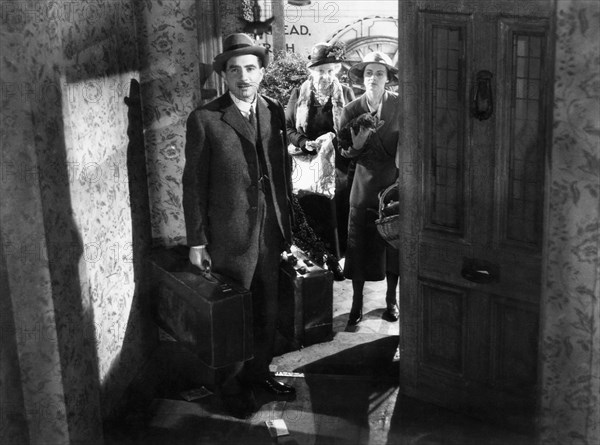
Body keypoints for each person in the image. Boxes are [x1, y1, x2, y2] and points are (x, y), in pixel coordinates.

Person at [182, 33, 295, 418]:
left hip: (270, 232)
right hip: (229, 237)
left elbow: (282, 174)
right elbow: (193, 185)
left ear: (262, 72)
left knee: (267, 309)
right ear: (224, 76)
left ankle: (260, 373)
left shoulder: (274, 110)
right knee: (233, 317)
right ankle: (231, 389)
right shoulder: (205, 119)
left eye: (250, 68)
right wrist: (197, 242)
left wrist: (288, 226)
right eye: (235, 70)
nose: (243, 76)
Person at [338, 52, 401, 325]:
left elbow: (412, 141)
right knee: (359, 246)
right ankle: (356, 303)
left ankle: (391, 300)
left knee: (394, 247)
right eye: (368, 74)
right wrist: (359, 144)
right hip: (363, 186)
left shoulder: (401, 106)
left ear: (388, 79)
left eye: (379, 73)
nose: (373, 78)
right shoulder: (351, 110)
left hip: (395, 185)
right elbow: (343, 153)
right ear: (362, 79)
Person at [285, 42, 355, 278]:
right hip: (308, 162)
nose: (324, 75)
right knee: (309, 205)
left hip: (339, 164)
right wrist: (304, 142)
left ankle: (339, 258)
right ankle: (318, 258)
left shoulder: (345, 93)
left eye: (329, 70)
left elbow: (353, 129)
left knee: (339, 203)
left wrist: (334, 137)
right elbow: (287, 128)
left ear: (335, 71)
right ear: (311, 71)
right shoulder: (299, 94)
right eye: (320, 70)